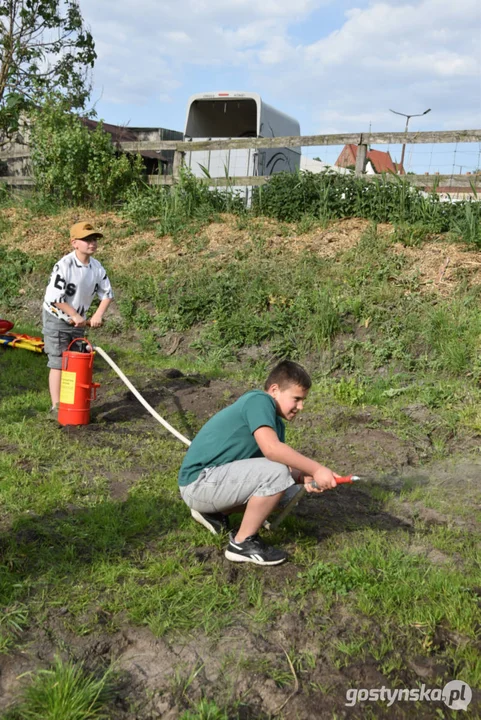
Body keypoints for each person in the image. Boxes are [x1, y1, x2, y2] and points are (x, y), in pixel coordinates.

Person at [178, 360, 341, 566]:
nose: (301, 406)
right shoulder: (259, 401)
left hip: (212, 486)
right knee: (277, 474)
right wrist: (317, 469)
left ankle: (215, 512)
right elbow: (272, 451)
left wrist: (304, 477)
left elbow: (272, 465)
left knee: (289, 491)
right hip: (198, 482)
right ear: (274, 390)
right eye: (297, 398)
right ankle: (241, 544)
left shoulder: (276, 424)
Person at [42, 221, 114, 414]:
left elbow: (107, 294)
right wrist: (73, 314)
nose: (92, 243)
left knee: (75, 361)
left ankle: (72, 401)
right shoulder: (64, 265)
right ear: (74, 243)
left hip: (78, 321)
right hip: (57, 319)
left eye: (94, 240)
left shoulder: (97, 268)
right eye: (86, 240)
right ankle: (56, 406)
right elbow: (55, 298)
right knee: (58, 360)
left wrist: (97, 315)